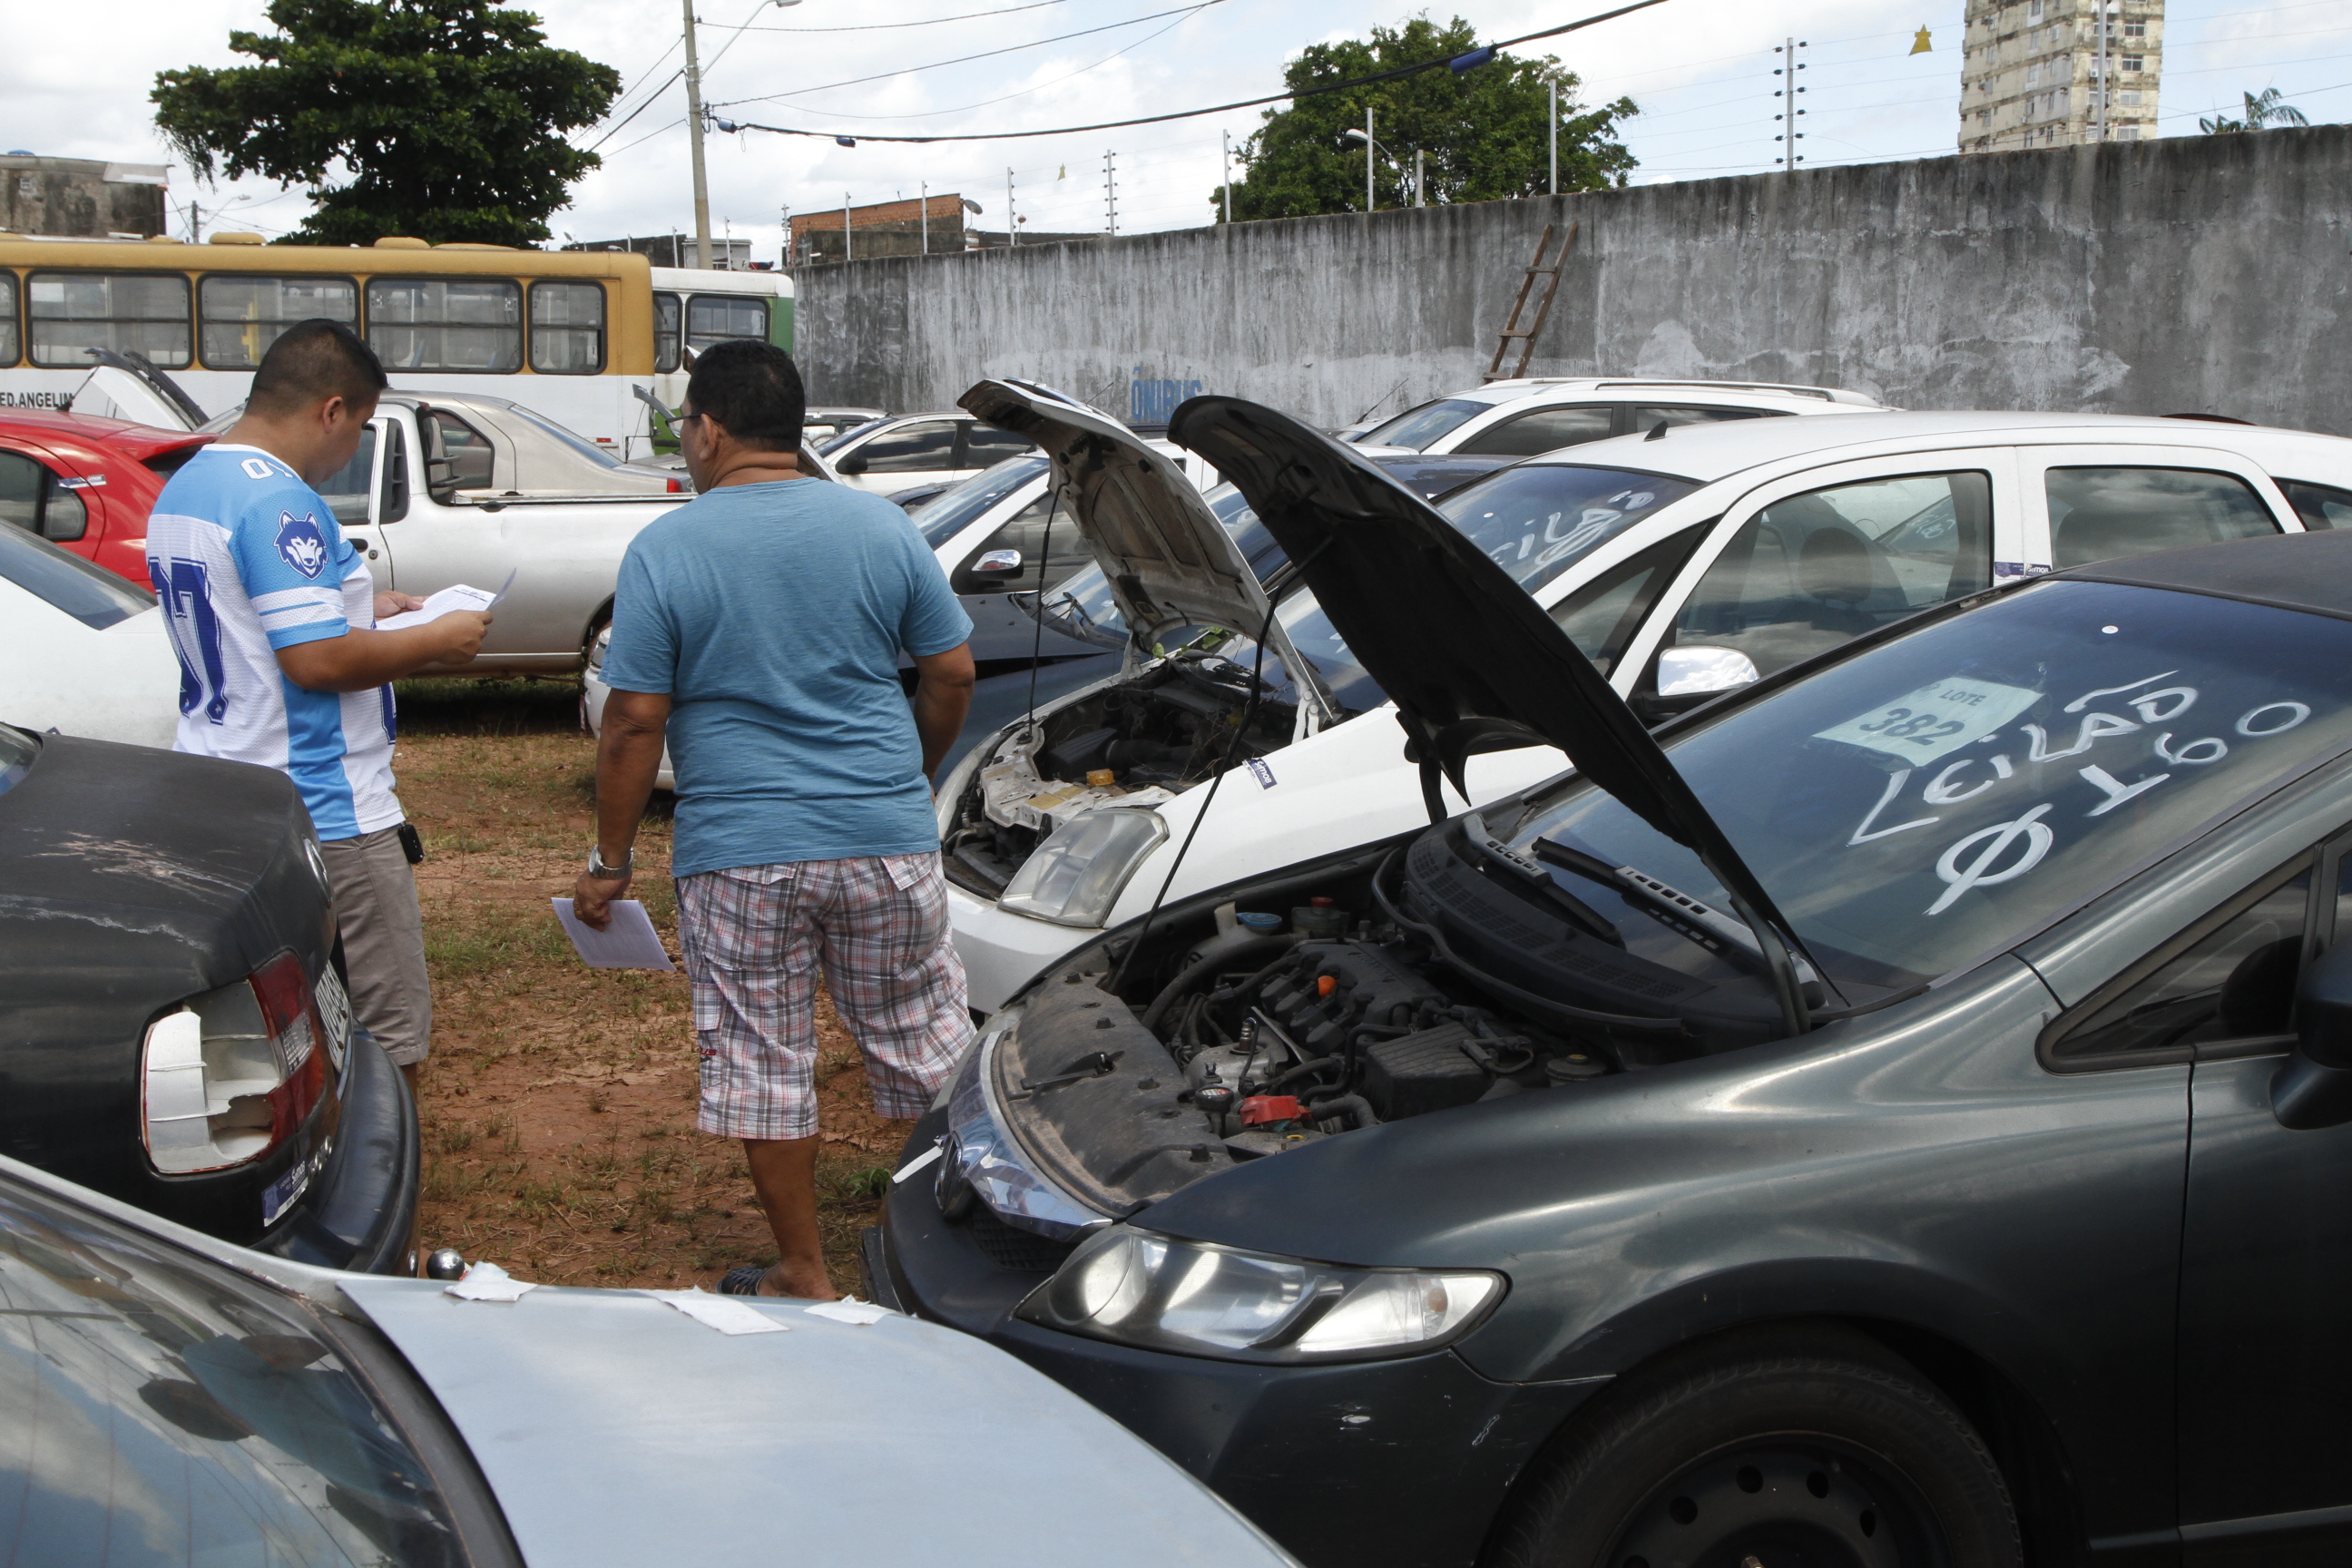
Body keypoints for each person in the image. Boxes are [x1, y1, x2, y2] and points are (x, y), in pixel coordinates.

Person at [573, 340, 976, 1301]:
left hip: (740, 855)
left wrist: (610, 858)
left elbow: (633, 721)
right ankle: (984, 1235)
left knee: (763, 1058)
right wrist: (906, 780)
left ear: (709, 431)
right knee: (928, 1038)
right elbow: (952, 673)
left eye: (685, 426)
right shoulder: (882, 527)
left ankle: (804, 1272)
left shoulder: (668, 548)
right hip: (884, 839)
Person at [145, 318, 491, 1093]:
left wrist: (368, 606)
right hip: (324, 811)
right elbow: (316, 661)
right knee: (385, 1033)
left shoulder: (190, 484)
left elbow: (248, 620)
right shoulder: (281, 501)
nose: (353, 447)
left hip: (222, 788)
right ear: (331, 410)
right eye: (361, 426)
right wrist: (437, 639)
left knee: (270, 1025)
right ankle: (378, 1159)